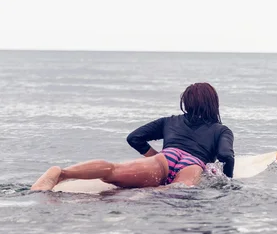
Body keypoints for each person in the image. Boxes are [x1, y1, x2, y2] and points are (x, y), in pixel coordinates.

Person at [31, 82, 234, 191]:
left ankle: (62, 173)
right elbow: (226, 156)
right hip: (193, 165)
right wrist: (228, 180)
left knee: (113, 170)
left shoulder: (170, 121)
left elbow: (134, 137)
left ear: (186, 103)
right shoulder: (221, 130)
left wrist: (157, 157)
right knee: (177, 191)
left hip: (164, 158)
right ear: (213, 104)